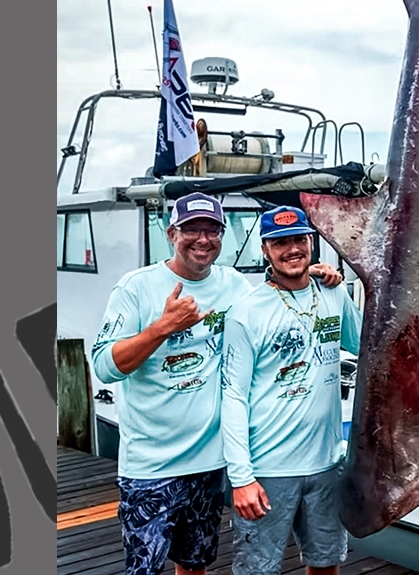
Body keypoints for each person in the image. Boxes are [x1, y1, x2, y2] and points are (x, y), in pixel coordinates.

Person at [91, 193, 341, 575]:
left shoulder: (235, 286)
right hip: (150, 466)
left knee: (194, 567)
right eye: (191, 229)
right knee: (143, 569)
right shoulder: (136, 287)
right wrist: (162, 328)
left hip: (209, 464)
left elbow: (277, 296)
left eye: (212, 230)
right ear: (171, 233)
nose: (202, 239)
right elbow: (105, 367)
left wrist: (319, 278)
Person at [220, 205, 363, 575]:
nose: (292, 250)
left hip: (327, 464)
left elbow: (365, 345)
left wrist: (352, 285)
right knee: (258, 570)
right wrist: (241, 478)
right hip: (268, 469)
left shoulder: (333, 295)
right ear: (266, 249)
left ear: (312, 242)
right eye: (280, 242)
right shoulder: (245, 312)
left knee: (325, 562)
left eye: (299, 239)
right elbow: (232, 397)